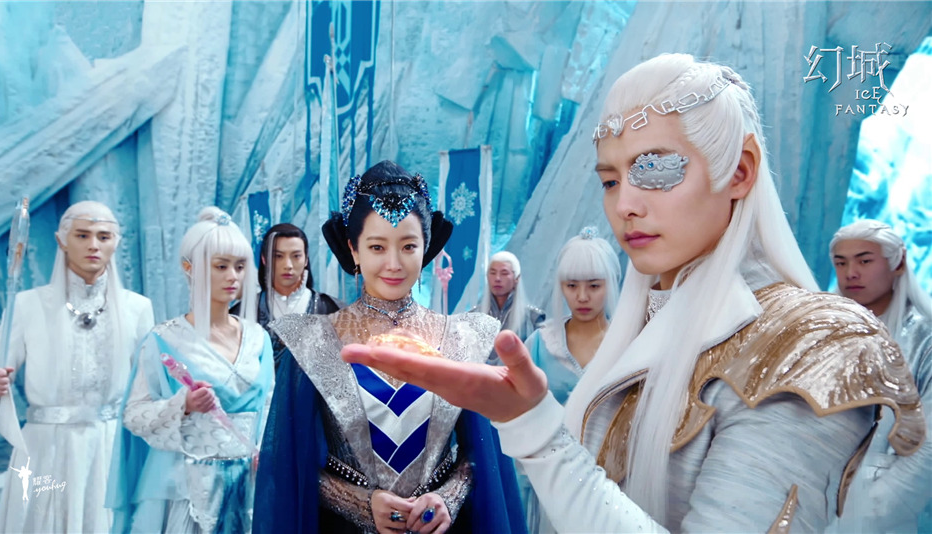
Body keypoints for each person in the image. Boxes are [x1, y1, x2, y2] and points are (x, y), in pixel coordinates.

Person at [341, 54, 926, 532]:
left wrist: (535, 431)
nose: (625, 204)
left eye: (656, 169)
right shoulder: (638, 328)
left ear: (740, 171)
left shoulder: (810, 344)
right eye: (611, 179)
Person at [253, 160, 524, 534]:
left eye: (408, 245)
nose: (394, 264)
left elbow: (483, 455)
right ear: (354, 249)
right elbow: (289, 464)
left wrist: (449, 496)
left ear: (425, 247)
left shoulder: (463, 337)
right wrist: (358, 502)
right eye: (377, 246)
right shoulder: (313, 341)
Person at [0, 201, 154, 533]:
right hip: (45, 448)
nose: (93, 245)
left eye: (104, 236)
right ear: (62, 240)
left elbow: (147, 390)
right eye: (82, 235)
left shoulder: (137, 309)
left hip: (109, 449)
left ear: (116, 242)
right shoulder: (27, 305)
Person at [107, 207, 274, 533]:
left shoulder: (258, 338)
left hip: (249, 488)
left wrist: (267, 453)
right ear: (189, 268)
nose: (233, 276)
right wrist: (182, 404)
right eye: (221, 266)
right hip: (187, 489)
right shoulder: (164, 340)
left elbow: (269, 408)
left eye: (240, 266)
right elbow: (133, 414)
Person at [829, 219, 932, 533]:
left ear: (898, 263)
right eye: (841, 263)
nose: (851, 273)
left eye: (864, 261)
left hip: (883, 511)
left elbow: (927, 448)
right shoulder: (820, 333)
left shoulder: (924, 339)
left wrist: (865, 516)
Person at [519, 226, 621, 533]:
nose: (582, 297)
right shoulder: (540, 345)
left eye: (594, 285)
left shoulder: (628, 345)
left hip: (612, 483)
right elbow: (519, 416)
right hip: (551, 480)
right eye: (572, 285)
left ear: (611, 283)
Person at [253, 223, 342, 368]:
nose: (288, 265)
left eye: (296, 256)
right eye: (278, 256)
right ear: (264, 259)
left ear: (306, 259)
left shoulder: (333, 310)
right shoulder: (244, 313)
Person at [476, 251, 545, 363]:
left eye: (504, 273)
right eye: (492, 273)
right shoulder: (474, 316)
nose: (497, 278)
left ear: (516, 278)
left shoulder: (534, 318)